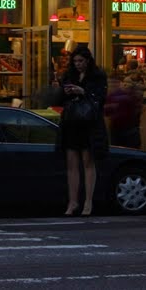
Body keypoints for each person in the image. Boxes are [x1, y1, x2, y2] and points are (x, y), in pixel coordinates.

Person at [56, 47, 108, 217]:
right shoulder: (69, 76)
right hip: (71, 123)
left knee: (88, 163)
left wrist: (83, 91)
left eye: (81, 61)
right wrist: (65, 91)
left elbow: (100, 99)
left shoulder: (97, 76)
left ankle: (88, 201)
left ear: (88, 61)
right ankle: (73, 201)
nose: (78, 64)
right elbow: (59, 99)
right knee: (72, 165)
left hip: (88, 124)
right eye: (75, 61)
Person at [104, 72, 142, 149]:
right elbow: (107, 112)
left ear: (119, 83)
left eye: (114, 82)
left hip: (129, 131)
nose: (111, 85)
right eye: (109, 83)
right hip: (116, 130)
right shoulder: (110, 95)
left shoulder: (125, 93)